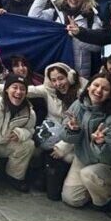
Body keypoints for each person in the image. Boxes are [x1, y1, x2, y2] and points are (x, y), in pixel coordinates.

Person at [60, 75, 111, 209]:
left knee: (89, 174)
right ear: (88, 87)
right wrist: (72, 130)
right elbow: (64, 135)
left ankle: (107, 200)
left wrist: (101, 144)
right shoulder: (78, 105)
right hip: (84, 158)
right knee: (71, 199)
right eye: (96, 85)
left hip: (109, 164)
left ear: (110, 95)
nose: (98, 91)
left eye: (105, 89)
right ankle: (93, 188)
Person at [27, 63, 80, 199]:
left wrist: (62, 147)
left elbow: (79, 129)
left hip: (71, 139)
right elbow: (28, 90)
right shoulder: (48, 91)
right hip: (50, 131)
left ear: (70, 77)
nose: (58, 83)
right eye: (54, 80)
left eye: (61, 78)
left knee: (67, 157)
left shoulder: (81, 95)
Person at [30, 0, 102, 77]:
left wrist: (79, 34)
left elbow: (97, 47)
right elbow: (33, 17)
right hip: (58, 68)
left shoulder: (92, 17)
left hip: (81, 71)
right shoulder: (56, 12)